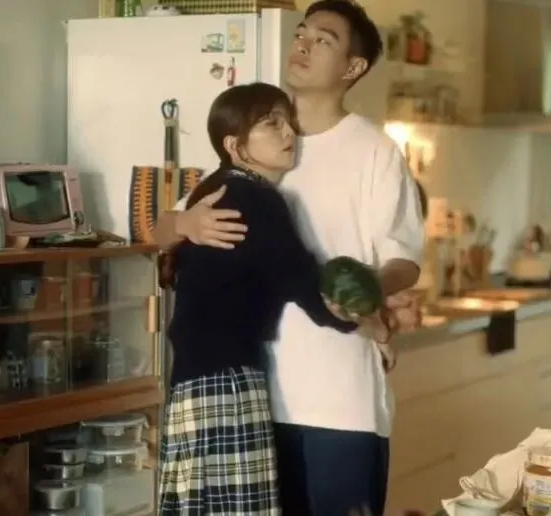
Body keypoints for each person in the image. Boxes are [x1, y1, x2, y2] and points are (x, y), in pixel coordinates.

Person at [150, 0, 425, 512]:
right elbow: (162, 231)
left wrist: (367, 300)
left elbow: (403, 260)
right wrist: (182, 225)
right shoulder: (258, 135)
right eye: (301, 33)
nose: (303, 44)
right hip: (255, 395)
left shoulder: (375, 151)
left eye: (323, 40)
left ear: (353, 67)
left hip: (337, 401)